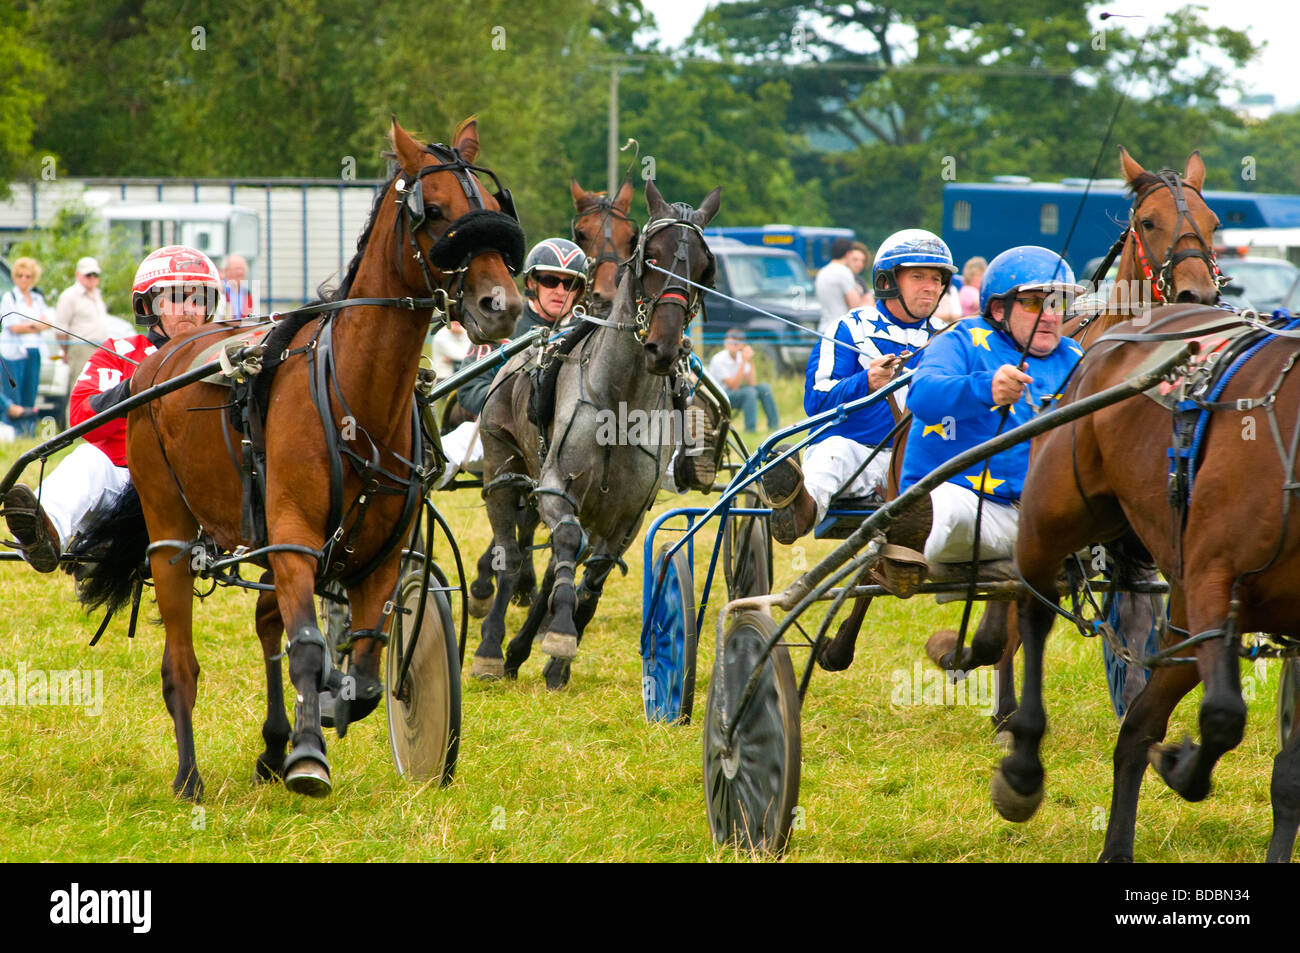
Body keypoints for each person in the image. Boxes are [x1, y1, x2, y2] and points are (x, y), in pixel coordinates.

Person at [3, 245, 223, 571]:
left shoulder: (224, 355)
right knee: (89, 460)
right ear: (149, 304)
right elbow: (80, 415)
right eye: (176, 297)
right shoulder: (120, 352)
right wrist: (138, 385)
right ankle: (45, 532)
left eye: (199, 298)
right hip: (127, 477)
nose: (189, 309)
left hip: (199, 484)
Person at [759, 229, 957, 571]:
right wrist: (864, 382)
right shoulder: (849, 328)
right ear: (888, 280)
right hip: (857, 454)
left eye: (937, 278)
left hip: (920, 460)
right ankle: (799, 510)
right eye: (918, 276)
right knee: (833, 453)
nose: (931, 286)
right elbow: (815, 401)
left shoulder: (949, 337)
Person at [898, 245, 1085, 578]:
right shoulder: (960, 340)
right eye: (1033, 302)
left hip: (1049, 520)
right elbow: (922, 398)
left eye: (1059, 303)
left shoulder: (1075, 355)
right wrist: (986, 390)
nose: (1051, 315)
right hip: (973, 513)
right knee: (945, 505)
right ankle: (905, 544)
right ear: (999, 310)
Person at [436, 238, 588, 486]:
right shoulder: (502, 326)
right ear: (531, 283)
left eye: (569, 283)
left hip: (571, 438)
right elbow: (469, 389)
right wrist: (516, 405)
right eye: (550, 281)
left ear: (579, 291)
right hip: (504, 433)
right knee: (440, 456)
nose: (560, 290)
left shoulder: (588, 332)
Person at [0, 256, 51, 433]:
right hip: (14, 353)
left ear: (33, 278)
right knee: (14, 395)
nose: (23, 279)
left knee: (31, 393)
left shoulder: (37, 298)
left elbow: (47, 323)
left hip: (34, 350)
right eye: (20, 275)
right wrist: (36, 325)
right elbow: (14, 327)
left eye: (27, 276)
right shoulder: (10, 297)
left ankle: (28, 431)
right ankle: (13, 431)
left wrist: (30, 325)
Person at [54, 256, 111, 394]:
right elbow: (60, 329)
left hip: (100, 348)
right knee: (79, 388)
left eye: (95, 275)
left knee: (97, 389)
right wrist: (67, 351)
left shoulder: (97, 294)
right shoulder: (69, 296)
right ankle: (71, 416)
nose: (92, 278)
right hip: (80, 348)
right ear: (78, 275)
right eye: (88, 274)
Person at [706, 328, 778, 434]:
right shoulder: (719, 359)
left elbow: (752, 383)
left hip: (735, 391)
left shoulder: (741, 356)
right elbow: (733, 386)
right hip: (721, 395)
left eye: (735, 343)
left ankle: (774, 426)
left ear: (742, 344)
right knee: (750, 393)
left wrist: (750, 360)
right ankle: (750, 430)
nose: (732, 346)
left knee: (764, 388)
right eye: (729, 342)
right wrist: (743, 362)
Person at [814, 237, 870, 336]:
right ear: (848, 254)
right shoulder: (844, 272)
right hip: (840, 330)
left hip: (823, 328)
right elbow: (855, 305)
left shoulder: (822, 272)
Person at [221, 254, 254, 321]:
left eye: (243, 269)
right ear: (226, 271)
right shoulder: (218, 291)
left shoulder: (247, 293)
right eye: (237, 269)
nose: (240, 272)